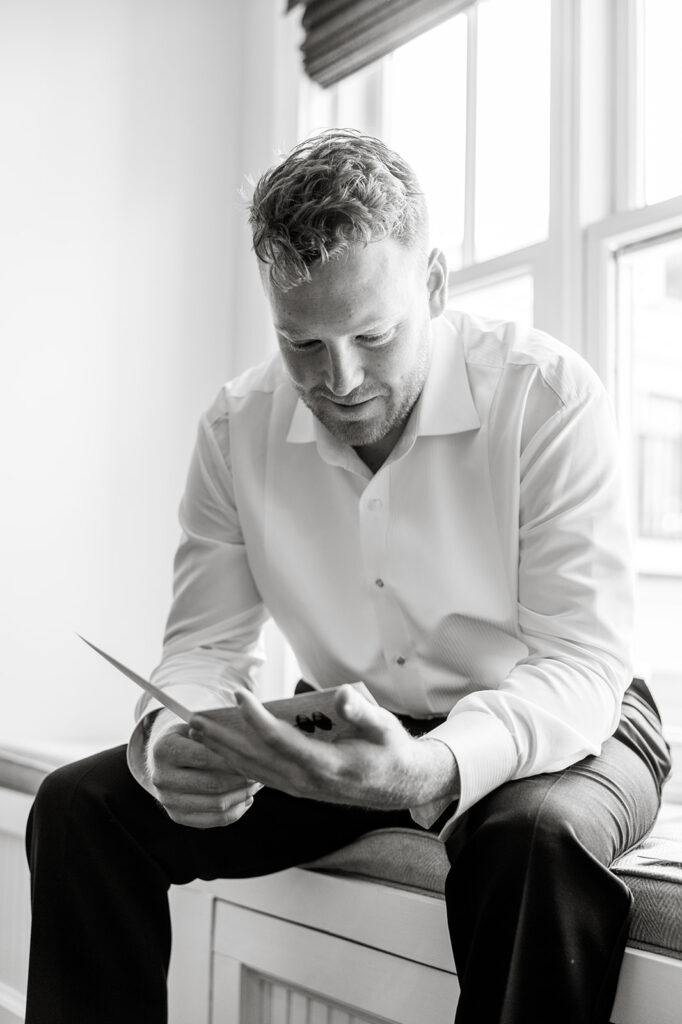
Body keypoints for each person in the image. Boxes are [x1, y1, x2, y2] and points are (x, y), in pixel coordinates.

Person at [25, 130, 671, 1024]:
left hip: (572, 721)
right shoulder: (233, 429)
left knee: (529, 840)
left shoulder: (548, 396)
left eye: (373, 333)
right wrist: (172, 743)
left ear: (435, 285)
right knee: (82, 808)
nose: (342, 380)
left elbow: (581, 663)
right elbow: (204, 647)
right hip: (351, 723)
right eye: (304, 344)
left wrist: (433, 767)